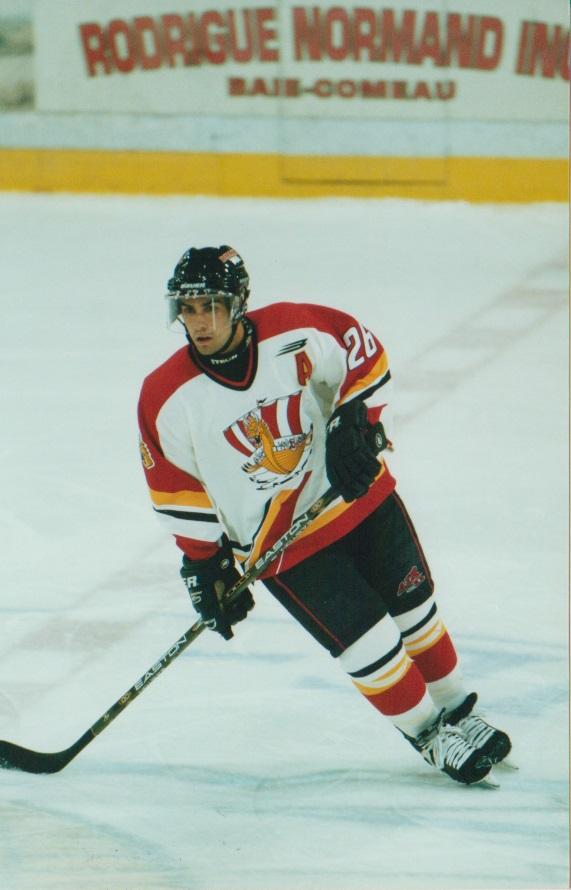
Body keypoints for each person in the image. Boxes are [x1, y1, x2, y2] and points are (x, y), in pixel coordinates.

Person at [137, 245, 512, 786]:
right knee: (368, 643)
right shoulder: (164, 396)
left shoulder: (295, 327)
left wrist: (354, 419)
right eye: (188, 309)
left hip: (358, 497)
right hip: (284, 546)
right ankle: (430, 735)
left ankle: (461, 711)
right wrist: (203, 564)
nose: (198, 322)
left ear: (239, 302)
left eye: (211, 306)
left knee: (417, 612)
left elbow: (364, 354)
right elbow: (174, 486)